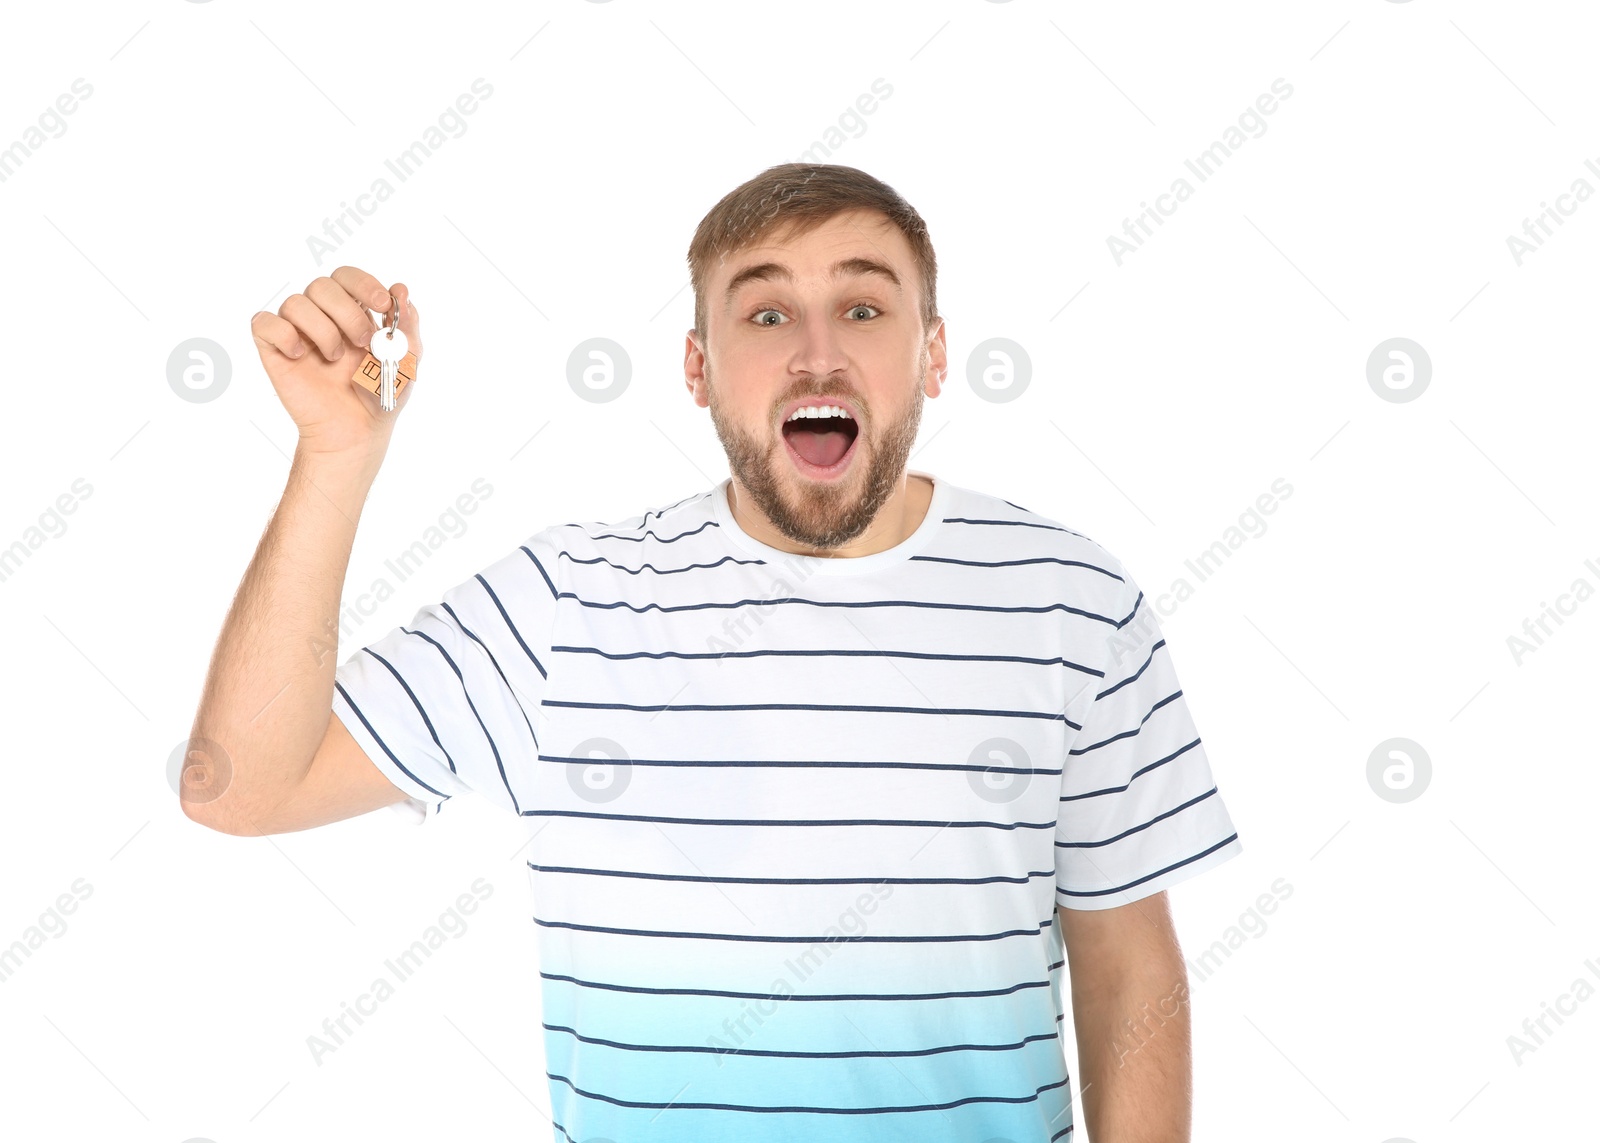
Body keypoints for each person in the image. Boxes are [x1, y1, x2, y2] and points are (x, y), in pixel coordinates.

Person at [185, 162, 1243, 1143]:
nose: (817, 353)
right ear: (698, 366)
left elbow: (1124, 962)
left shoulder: (1070, 599)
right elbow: (239, 790)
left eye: (864, 308)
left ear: (932, 353)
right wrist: (334, 456)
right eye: (767, 312)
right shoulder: (566, 604)